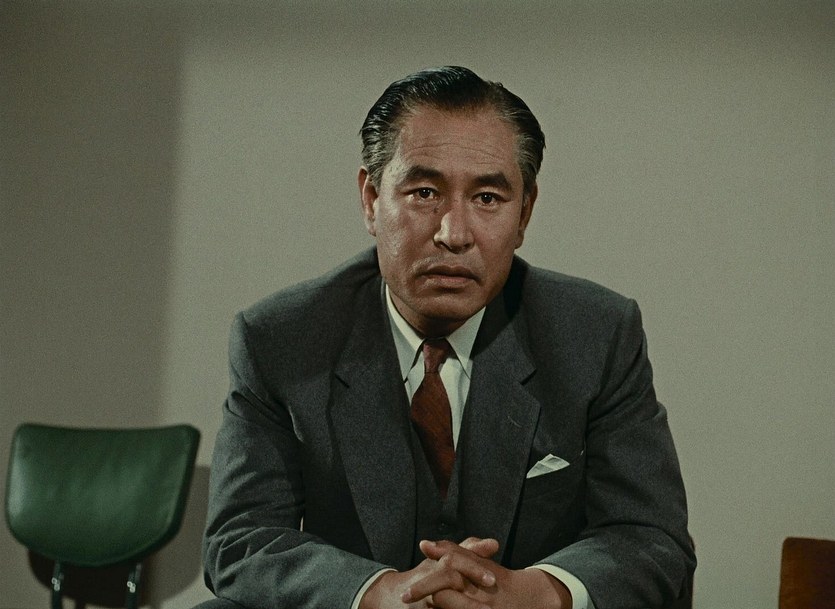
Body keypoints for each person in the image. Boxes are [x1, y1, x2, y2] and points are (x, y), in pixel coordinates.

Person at [201, 66, 696, 609]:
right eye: (424, 193)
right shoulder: (282, 339)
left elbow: (650, 537)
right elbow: (241, 538)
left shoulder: (595, 333)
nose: (453, 234)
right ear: (371, 199)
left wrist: (531, 594)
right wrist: (377, 594)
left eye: (487, 198)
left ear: (525, 212)